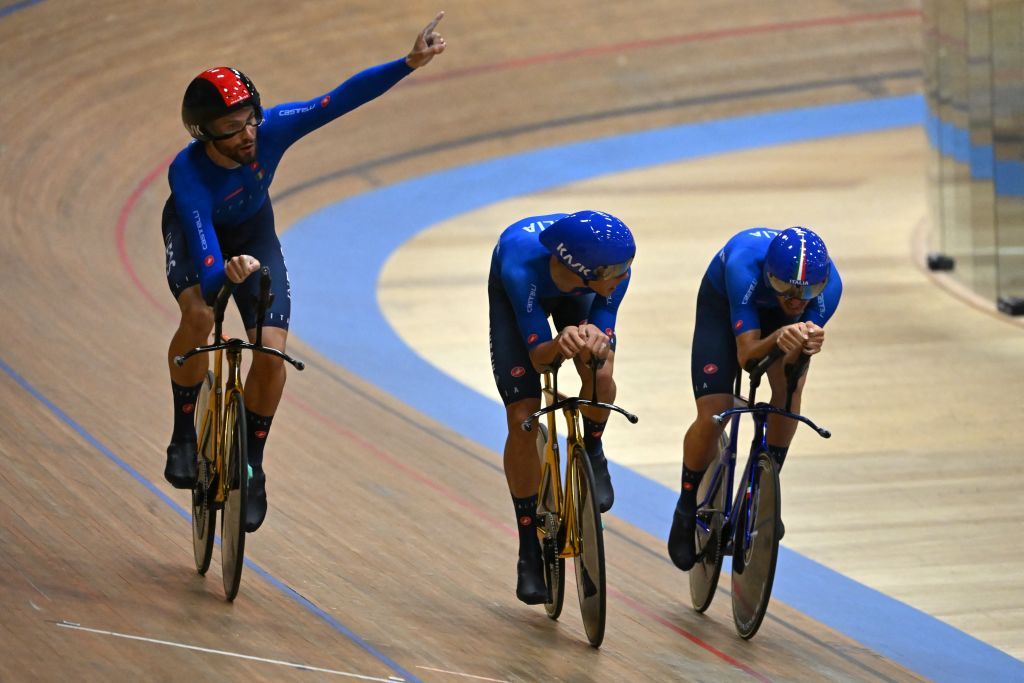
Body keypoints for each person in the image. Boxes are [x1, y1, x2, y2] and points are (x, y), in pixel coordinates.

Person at [162, 14, 447, 533]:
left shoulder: (270, 130)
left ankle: (251, 464)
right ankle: (183, 433)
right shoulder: (188, 173)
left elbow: (338, 99)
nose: (248, 135)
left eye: (251, 119)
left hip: (253, 233)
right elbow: (205, 261)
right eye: (232, 129)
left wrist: (408, 63)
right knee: (202, 316)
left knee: (270, 348)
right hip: (199, 237)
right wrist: (222, 273)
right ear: (205, 134)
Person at [667, 226, 842, 571]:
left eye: (807, 292)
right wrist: (779, 336)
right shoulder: (743, 266)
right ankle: (686, 504)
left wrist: (805, 342)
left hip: (780, 323)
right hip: (726, 307)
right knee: (715, 412)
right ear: (768, 275)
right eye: (786, 289)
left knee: (791, 386)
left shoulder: (829, 288)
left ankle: (764, 489)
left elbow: (793, 357)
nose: (796, 300)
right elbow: (747, 358)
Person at [488, 210, 636, 604]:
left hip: (577, 292)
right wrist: (558, 343)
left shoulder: (611, 272)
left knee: (599, 372)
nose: (625, 277)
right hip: (525, 296)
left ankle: (594, 446)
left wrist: (594, 338)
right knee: (522, 417)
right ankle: (528, 549)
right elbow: (539, 359)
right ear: (585, 268)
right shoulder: (520, 267)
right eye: (616, 272)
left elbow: (603, 332)